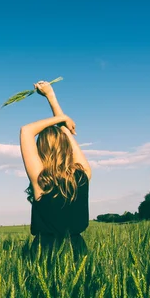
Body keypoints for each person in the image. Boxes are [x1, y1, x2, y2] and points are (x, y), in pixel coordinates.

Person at [19, 80, 92, 263]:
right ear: (67, 148)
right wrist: (51, 97)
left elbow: (26, 131)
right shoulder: (83, 174)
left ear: (41, 150)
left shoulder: (40, 180)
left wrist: (60, 117)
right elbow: (66, 132)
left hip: (45, 252)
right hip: (77, 250)